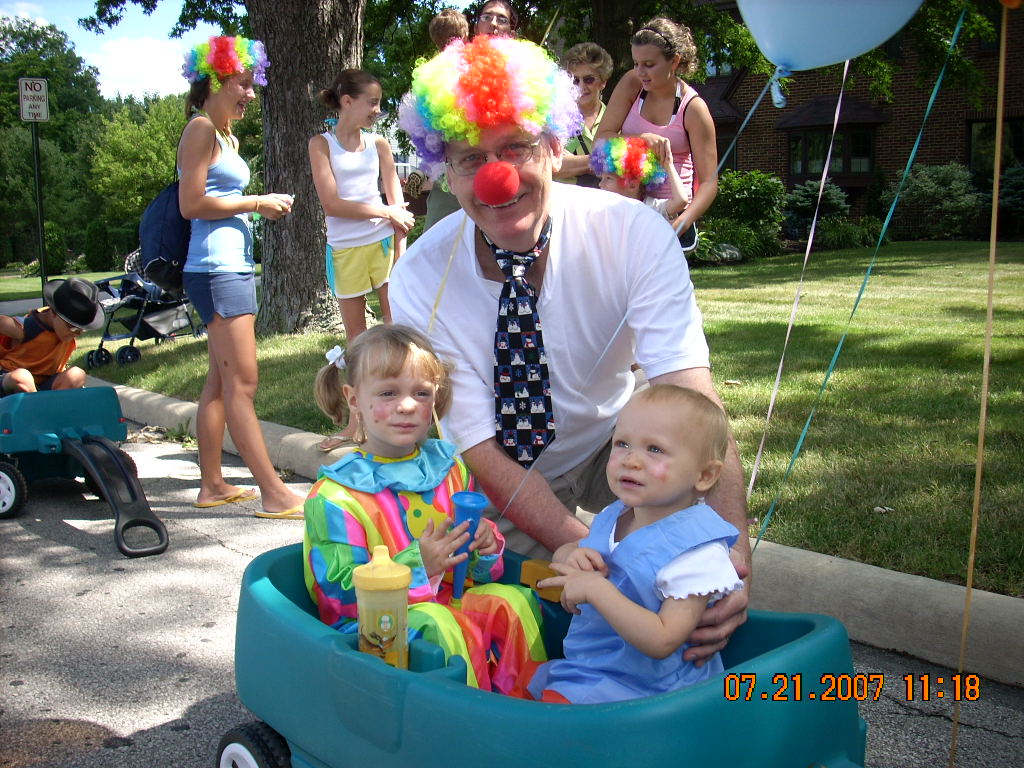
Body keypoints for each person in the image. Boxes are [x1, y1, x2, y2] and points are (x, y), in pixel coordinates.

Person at [394, 35, 749, 666]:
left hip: (620, 432)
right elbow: (477, 445)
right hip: (516, 461)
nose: (497, 177)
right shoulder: (420, 277)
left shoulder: (633, 232)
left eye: (516, 148)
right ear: (444, 171)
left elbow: (693, 400)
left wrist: (732, 554)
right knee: (511, 600)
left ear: (557, 145)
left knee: (691, 555)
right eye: (470, 158)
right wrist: (586, 551)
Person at [303, 324, 547, 696]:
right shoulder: (337, 497)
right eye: (388, 393)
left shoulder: (449, 470)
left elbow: (476, 576)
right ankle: (469, 719)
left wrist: (484, 546)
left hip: (447, 599)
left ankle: (528, 705)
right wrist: (418, 565)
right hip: (377, 631)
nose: (407, 406)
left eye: (421, 393)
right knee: (438, 623)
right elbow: (338, 598)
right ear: (354, 399)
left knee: (514, 601)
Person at [527, 385, 743, 703]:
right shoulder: (616, 515)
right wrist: (571, 554)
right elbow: (584, 553)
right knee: (511, 680)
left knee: (543, 716)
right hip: (593, 667)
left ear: (705, 475)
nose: (631, 460)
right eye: (622, 443)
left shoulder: (696, 552)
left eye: (654, 449)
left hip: (650, 691)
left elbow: (663, 639)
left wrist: (597, 590)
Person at [178, 35, 305, 518]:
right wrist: (256, 202)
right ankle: (274, 493)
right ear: (215, 80)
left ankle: (212, 485)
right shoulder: (200, 129)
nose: (251, 93)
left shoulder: (224, 135)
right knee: (243, 384)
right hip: (217, 270)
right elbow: (191, 204)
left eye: (254, 84)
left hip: (228, 268)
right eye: (243, 84)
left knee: (219, 381)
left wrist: (256, 205)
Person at [309, 69, 414, 451]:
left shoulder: (380, 144)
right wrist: (386, 212)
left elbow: (399, 207)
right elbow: (332, 204)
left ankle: (404, 416)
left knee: (396, 332)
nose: (377, 110)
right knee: (356, 342)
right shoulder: (320, 145)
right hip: (345, 250)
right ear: (347, 101)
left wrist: (400, 250)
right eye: (372, 102)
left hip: (383, 246)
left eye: (379, 103)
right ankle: (357, 424)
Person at [597, 17, 718, 250]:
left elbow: (708, 183)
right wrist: (640, 140)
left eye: (649, 65)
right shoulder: (632, 84)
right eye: (636, 63)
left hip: (671, 213)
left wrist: (681, 224)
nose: (640, 72)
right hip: (628, 208)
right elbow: (601, 140)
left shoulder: (693, 109)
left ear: (674, 61)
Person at [0, 278, 104, 396]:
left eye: (82, 329)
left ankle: (52, 406)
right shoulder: (25, 328)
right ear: (53, 313)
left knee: (76, 374)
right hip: (11, 385)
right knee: (22, 377)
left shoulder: (66, 333)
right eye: (73, 327)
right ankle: (37, 406)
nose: (78, 333)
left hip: (46, 385)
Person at [590, 135, 690, 223]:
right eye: (601, 178)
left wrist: (668, 165)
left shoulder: (649, 207)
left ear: (632, 185)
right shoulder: (603, 207)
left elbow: (681, 201)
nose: (600, 184)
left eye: (608, 178)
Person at [555, 43, 613, 188]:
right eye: (575, 80)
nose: (581, 86)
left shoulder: (616, 119)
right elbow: (552, 165)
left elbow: (624, 166)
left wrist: (575, 163)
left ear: (603, 82)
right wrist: (601, 161)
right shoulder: (555, 117)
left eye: (588, 79)